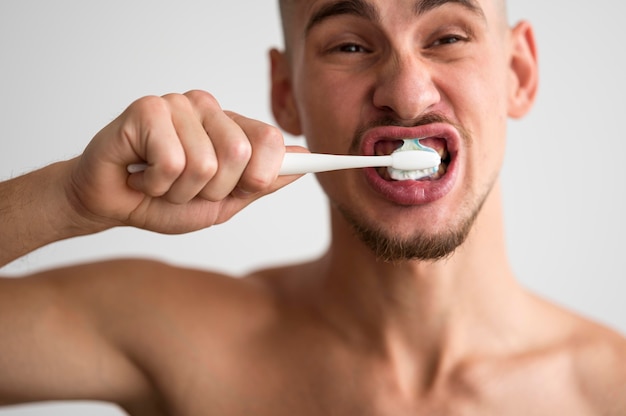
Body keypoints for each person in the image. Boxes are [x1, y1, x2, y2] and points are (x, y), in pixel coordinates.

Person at [1, 0, 625, 414]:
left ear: (518, 71)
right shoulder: (180, 337)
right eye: (350, 46)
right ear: (285, 93)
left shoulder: (611, 390)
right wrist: (66, 200)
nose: (406, 95)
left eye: (448, 36)